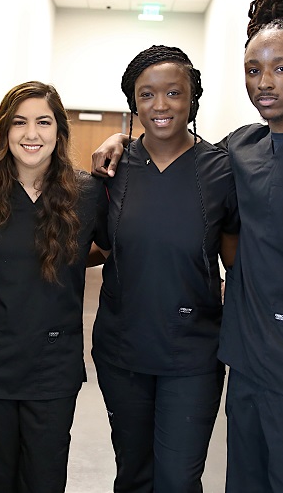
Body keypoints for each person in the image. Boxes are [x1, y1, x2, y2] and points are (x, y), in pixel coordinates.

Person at [94, 0, 283, 493]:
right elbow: (176, 151)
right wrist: (121, 139)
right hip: (246, 363)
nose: (265, 82)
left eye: (281, 67)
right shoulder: (243, 147)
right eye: (253, 70)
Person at [90, 46, 238, 493]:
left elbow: (233, 258)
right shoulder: (111, 170)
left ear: (193, 98)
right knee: (133, 476)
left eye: (173, 93)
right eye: (147, 94)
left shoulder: (220, 170)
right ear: (133, 102)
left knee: (177, 480)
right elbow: (96, 246)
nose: (160, 105)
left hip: (192, 354)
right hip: (123, 350)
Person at [0, 81, 107, 493]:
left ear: (59, 130)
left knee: (44, 479)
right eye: (19, 122)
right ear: (5, 129)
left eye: (44, 121)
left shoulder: (88, 192)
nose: (31, 133)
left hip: (51, 365)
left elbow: (105, 249)